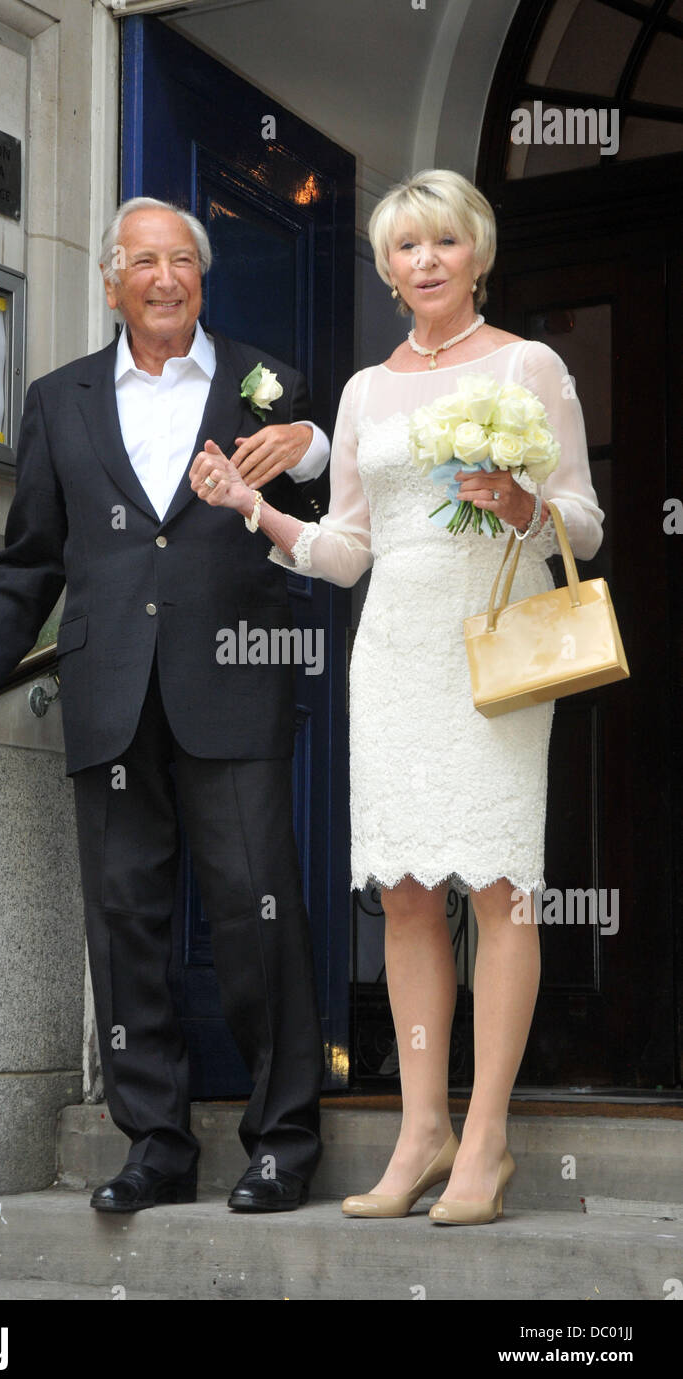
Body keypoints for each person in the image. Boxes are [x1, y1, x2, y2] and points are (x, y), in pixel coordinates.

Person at [0, 197, 330, 1216]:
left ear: (202, 276)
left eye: (183, 260)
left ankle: (281, 1140)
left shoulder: (269, 385)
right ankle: (156, 1142)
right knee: (126, 923)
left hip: (233, 679)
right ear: (111, 279)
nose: (166, 278)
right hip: (110, 694)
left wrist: (306, 446)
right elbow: (29, 564)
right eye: (144, 262)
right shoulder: (59, 399)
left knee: (257, 914)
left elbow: (325, 526)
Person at [190, 169, 604, 1225]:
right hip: (393, 653)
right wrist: (255, 507)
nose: (424, 262)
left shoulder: (530, 362)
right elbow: (345, 551)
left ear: (477, 253)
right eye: (404, 249)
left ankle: (486, 1138)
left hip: (494, 650)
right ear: (385, 270)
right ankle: (420, 1129)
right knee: (410, 890)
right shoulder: (366, 390)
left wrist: (519, 499)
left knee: (501, 883)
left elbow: (584, 524)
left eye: (443, 243)